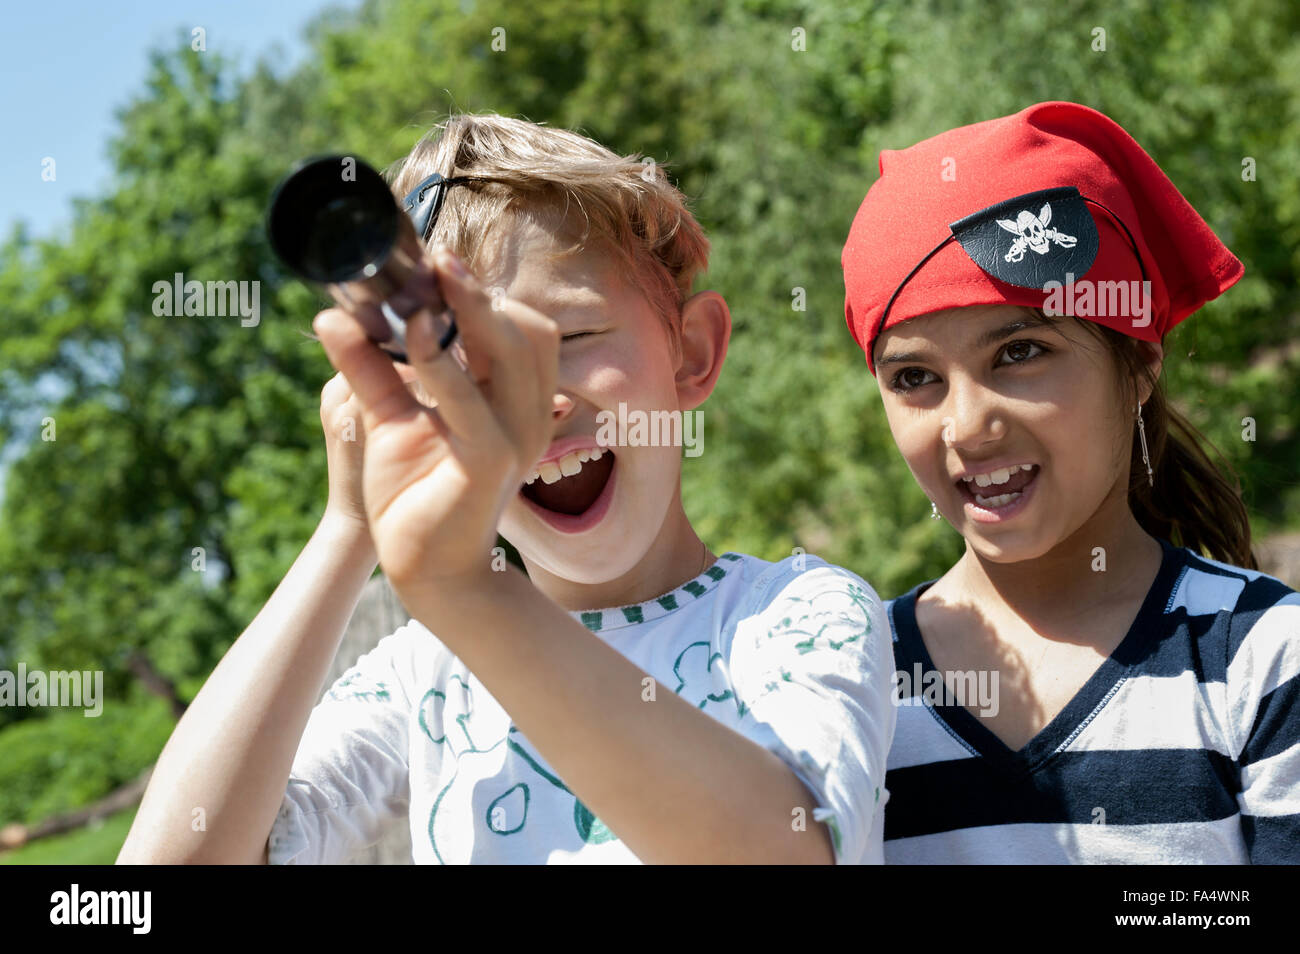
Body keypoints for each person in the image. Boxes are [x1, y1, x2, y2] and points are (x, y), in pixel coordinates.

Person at [118, 112, 895, 865]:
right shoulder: (425, 674)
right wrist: (351, 523)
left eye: (572, 340)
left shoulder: (800, 613)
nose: (539, 401)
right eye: (470, 371)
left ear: (691, 352)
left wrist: (467, 592)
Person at [839, 101, 1299, 863]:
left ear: (1140, 362)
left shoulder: (1265, 659)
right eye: (914, 377)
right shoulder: (850, 682)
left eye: (1019, 353)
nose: (965, 424)